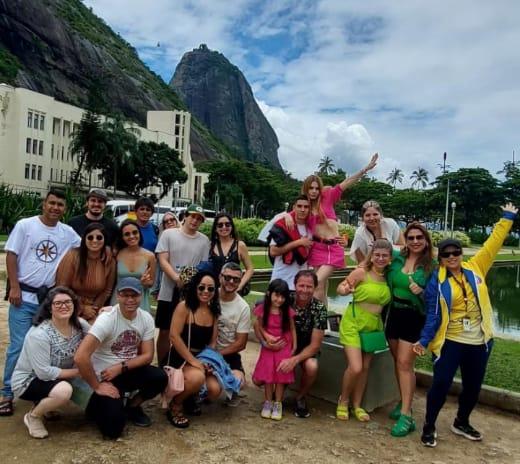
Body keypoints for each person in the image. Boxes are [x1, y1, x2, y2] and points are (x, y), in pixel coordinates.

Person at [413, 203, 518, 448]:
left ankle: (461, 421)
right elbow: (433, 315)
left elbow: (493, 243)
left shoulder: (476, 267)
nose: (452, 257)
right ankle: (429, 425)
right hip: (451, 340)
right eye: (446, 254)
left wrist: (507, 218)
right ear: (440, 258)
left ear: (461, 254)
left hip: (479, 340)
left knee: (473, 386)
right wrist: (424, 340)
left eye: (455, 253)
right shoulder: (437, 282)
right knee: (440, 384)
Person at [0, 189, 81, 417]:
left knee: (48, 348)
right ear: (44, 204)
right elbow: (12, 255)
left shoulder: (67, 233)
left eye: (60, 205)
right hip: (23, 296)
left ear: (64, 209)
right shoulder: (25, 225)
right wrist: (14, 286)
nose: (55, 208)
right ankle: (7, 392)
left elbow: (87, 248)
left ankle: (42, 394)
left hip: (48, 301)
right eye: (52, 203)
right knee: (19, 345)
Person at [74, 277, 167, 439]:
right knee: (113, 430)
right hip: (104, 376)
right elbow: (81, 357)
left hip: (124, 370)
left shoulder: (145, 318)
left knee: (159, 377)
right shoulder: (107, 319)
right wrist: (97, 386)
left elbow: (147, 355)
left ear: (140, 297)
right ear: (118, 296)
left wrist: (121, 367)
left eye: (134, 295)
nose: (130, 299)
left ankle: (132, 406)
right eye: (125, 295)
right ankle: (98, 404)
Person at [298, 153, 379, 302]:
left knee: (314, 281)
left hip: (333, 248)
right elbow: (291, 214)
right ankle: (322, 323)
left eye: (316, 188)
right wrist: (284, 217)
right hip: (316, 248)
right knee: (320, 287)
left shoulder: (328, 196)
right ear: (306, 189)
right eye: (311, 188)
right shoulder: (304, 205)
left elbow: (348, 181)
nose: (314, 191)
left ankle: (315, 319)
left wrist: (365, 169)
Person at [11, 287, 89, 438]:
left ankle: (46, 404)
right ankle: (33, 416)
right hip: (28, 381)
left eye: (68, 302)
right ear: (49, 308)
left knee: (65, 388)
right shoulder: (39, 334)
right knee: (64, 391)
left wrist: (109, 313)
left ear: (74, 305)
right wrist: (80, 373)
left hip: (56, 377)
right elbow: (44, 372)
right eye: (58, 303)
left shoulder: (80, 324)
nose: (64, 306)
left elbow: (97, 337)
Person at [384, 222, 435, 436]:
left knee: (405, 363)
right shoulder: (397, 259)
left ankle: (407, 415)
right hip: (394, 314)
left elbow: (436, 299)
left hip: (415, 317)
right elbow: (375, 258)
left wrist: (421, 292)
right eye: (411, 237)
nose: (415, 241)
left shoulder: (431, 266)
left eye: (419, 238)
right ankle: (405, 403)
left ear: (426, 241)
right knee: (399, 363)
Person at [336, 239, 392, 422]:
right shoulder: (361, 272)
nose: (381, 258)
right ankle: (343, 401)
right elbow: (341, 287)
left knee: (365, 367)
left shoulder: (388, 278)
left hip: (373, 325)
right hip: (354, 321)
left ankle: (357, 405)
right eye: (377, 255)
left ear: (390, 258)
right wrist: (345, 290)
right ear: (372, 255)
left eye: (385, 255)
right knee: (356, 366)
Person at [155, 204, 210, 365]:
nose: (195, 221)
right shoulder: (169, 234)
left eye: (199, 219)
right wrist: (176, 277)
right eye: (193, 216)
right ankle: (162, 365)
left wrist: (189, 281)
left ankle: (179, 366)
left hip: (191, 293)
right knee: (165, 330)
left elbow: (203, 265)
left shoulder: (204, 240)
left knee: (186, 331)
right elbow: (162, 259)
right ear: (185, 216)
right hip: (168, 290)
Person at [165, 271, 221, 428]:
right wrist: (194, 361)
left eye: (210, 289)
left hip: (201, 357)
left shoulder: (214, 312)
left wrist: (208, 361)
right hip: (181, 356)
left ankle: (189, 397)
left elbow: (212, 342)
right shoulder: (184, 307)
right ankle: (175, 405)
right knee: (197, 377)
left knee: (215, 390)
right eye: (201, 287)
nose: (206, 292)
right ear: (195, 287)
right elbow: (174, 336)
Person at [276, 270, 327, 418]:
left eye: (309, 286)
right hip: (285, 345)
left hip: (307, 348)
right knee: (259, 380)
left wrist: (294, 360)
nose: (304, 290)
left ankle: (300, 397)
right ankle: (278, 391)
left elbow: (315, 345)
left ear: (315, 287)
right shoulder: (285, 300)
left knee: (312, 367)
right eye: (301, 285)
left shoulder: (319, 309)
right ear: (295, 285)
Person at [252, 279, 297, 421]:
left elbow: (292, 328)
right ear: (269, 293)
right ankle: (268, 401)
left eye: (283, 297)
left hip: (284, 343)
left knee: (280, 375)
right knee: (268, 374)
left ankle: (278, 403)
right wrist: (266, 338)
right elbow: (259, 325)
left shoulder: (287, 311)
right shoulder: (263, 308)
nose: (279, 300)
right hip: (269, 345)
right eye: (276, 295)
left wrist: (294, 346)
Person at [56, 223, 116, 323]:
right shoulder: (73, 256)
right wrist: (82, 308)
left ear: (105, 240)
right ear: (84, 239)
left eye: (99, 237)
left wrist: (93, 310)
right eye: (90, 237)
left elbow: (107, 290)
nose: (95, 240)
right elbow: (62, 286)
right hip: (68, 306)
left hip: (94, 309)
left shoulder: (109, 261)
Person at [216, 262, 251, 406]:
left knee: (239, 381)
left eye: (236, 279)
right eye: (227, 277)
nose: (231, 282)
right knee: (211, 387)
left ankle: (232, 392)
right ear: (220, 277)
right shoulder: (209, 294)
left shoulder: (243, 307)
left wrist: (217, 354)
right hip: (204, 348)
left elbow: (241, 343)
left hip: (228, 352)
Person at [269, 196, 313, 290]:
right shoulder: (284, 225)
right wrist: (299, 242)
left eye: (306, 207)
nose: (302, 209)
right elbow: (273, 251)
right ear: (294, 208)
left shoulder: (311, 229)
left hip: (300, 285)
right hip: (280, 280)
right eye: (299, 206)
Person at [111, 219, 155, 312]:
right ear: (122, 237)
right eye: (127, 234)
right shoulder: (117, 254)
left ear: (139, 233)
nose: (132, 236)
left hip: (140, 301)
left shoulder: (150, 256)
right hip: (119, 300)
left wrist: (145, 282)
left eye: (135, 232)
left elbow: (151, 283)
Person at [209, 213, 254, 294]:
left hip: (233, 289)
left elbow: (250, 269)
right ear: (215, 228)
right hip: (215, 291)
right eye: (220, 225)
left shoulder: (240, 245)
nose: (224, 227)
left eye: (227, 224)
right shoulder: (210, 246)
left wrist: (240, 285)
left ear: (232, 227)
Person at [350, 200, 405, 264]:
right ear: (362, 218)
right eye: (367, 215)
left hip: (393, 264)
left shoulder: (391, 224)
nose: (372, 218)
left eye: (375, 214)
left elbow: (403, 247)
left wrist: (388, 246)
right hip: (372, 267)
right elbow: (361, 263)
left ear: (381, 215)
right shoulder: (359, 234)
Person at [150, 211, 179, 298]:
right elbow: (160, 264)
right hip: (165, 276)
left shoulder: (184, 235)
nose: (169, 222)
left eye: (172, 219)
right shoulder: (161, 238)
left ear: (176, 220)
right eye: (166, 221)